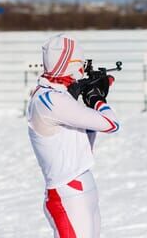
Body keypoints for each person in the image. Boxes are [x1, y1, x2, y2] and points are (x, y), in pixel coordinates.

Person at [27, 34, 119, 238]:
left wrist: (88, 94)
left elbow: (85, 135)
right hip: (67, 193)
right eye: (80, 63)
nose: (82, 69)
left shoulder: (54, 95)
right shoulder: (50, 100)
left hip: (81, 189)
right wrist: (96, 98)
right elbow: (111, 124)